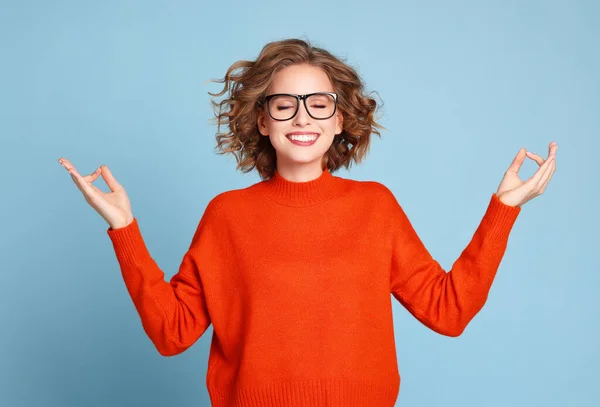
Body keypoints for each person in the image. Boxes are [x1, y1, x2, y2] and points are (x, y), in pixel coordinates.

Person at [57, 38, 557, 407]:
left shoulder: (374, 206)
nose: (303, 118)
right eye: (284, 104)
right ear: (262, 119)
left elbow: (449, 311)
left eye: (319, 104)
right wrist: (124, 228)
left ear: (339, 120)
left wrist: (503, 211)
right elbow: (172, 332)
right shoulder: (226, 215)